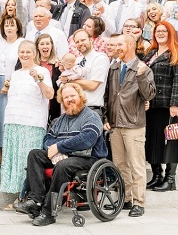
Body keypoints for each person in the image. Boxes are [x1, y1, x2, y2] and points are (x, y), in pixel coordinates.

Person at [15, 82, 108, 226]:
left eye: (72, 96)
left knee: (63, 166)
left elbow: (87, 139)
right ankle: (36, 200)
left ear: (80, 96)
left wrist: (59, 147)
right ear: (62, 101)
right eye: (66, 97)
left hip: (88, 158)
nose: (69, 99)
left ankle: (48, 213)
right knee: (35, 154)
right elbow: (48, 138)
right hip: (64, 156)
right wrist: (53, 149)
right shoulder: (60, 120)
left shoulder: (91, 116)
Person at [103, 34, 156, 217]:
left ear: (130, 45)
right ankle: (125, 199)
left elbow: (149, 95)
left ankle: (139, 202)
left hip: (134, 125)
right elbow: (108, 95)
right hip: (115, 124)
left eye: (120, 44)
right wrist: (106, 118)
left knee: (136, 165)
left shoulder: (143, 68)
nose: (116, 47)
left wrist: (141, 76)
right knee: (120, 165)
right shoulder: (115, 67)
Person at [0, 40, 54, 199]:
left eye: (28, 52)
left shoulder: (41, 70)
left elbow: (50, 95)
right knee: (15, 161)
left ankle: (28, 197)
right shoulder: (15, 74)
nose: (24, 55)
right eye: (22, 52)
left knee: (26, 161)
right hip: (12, 121)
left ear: (34, 53)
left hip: (32, 123)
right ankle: (17, 197)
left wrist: (38, 79)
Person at [143, 21, 178, 193]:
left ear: (170, 33)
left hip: (167, 105)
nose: (160, 33)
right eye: (157, 31)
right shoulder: (150, 53)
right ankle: (156, 176)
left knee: (171, 141)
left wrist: (175, 104)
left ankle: (170, 179)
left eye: (164, 31)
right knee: (153, 140)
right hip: (151, 105)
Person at [0, 15, 22, 158]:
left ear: (17, 27)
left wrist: (9, 83)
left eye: (12, 25)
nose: (9, 28)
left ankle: (11, 151)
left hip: (15, 81)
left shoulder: (22, 42)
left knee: (12, 116)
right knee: (0, 117)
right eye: (6, 25)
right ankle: (0, 150)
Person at [65, 30, 110, 121]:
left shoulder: (100, 58)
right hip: (73, 109)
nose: (80, 43)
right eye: (77, 42)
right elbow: (65, 83)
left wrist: (70, 80)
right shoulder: (76, 61)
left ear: (91, 40)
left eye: (83, 40)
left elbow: (92, 85)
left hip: (91, 110)